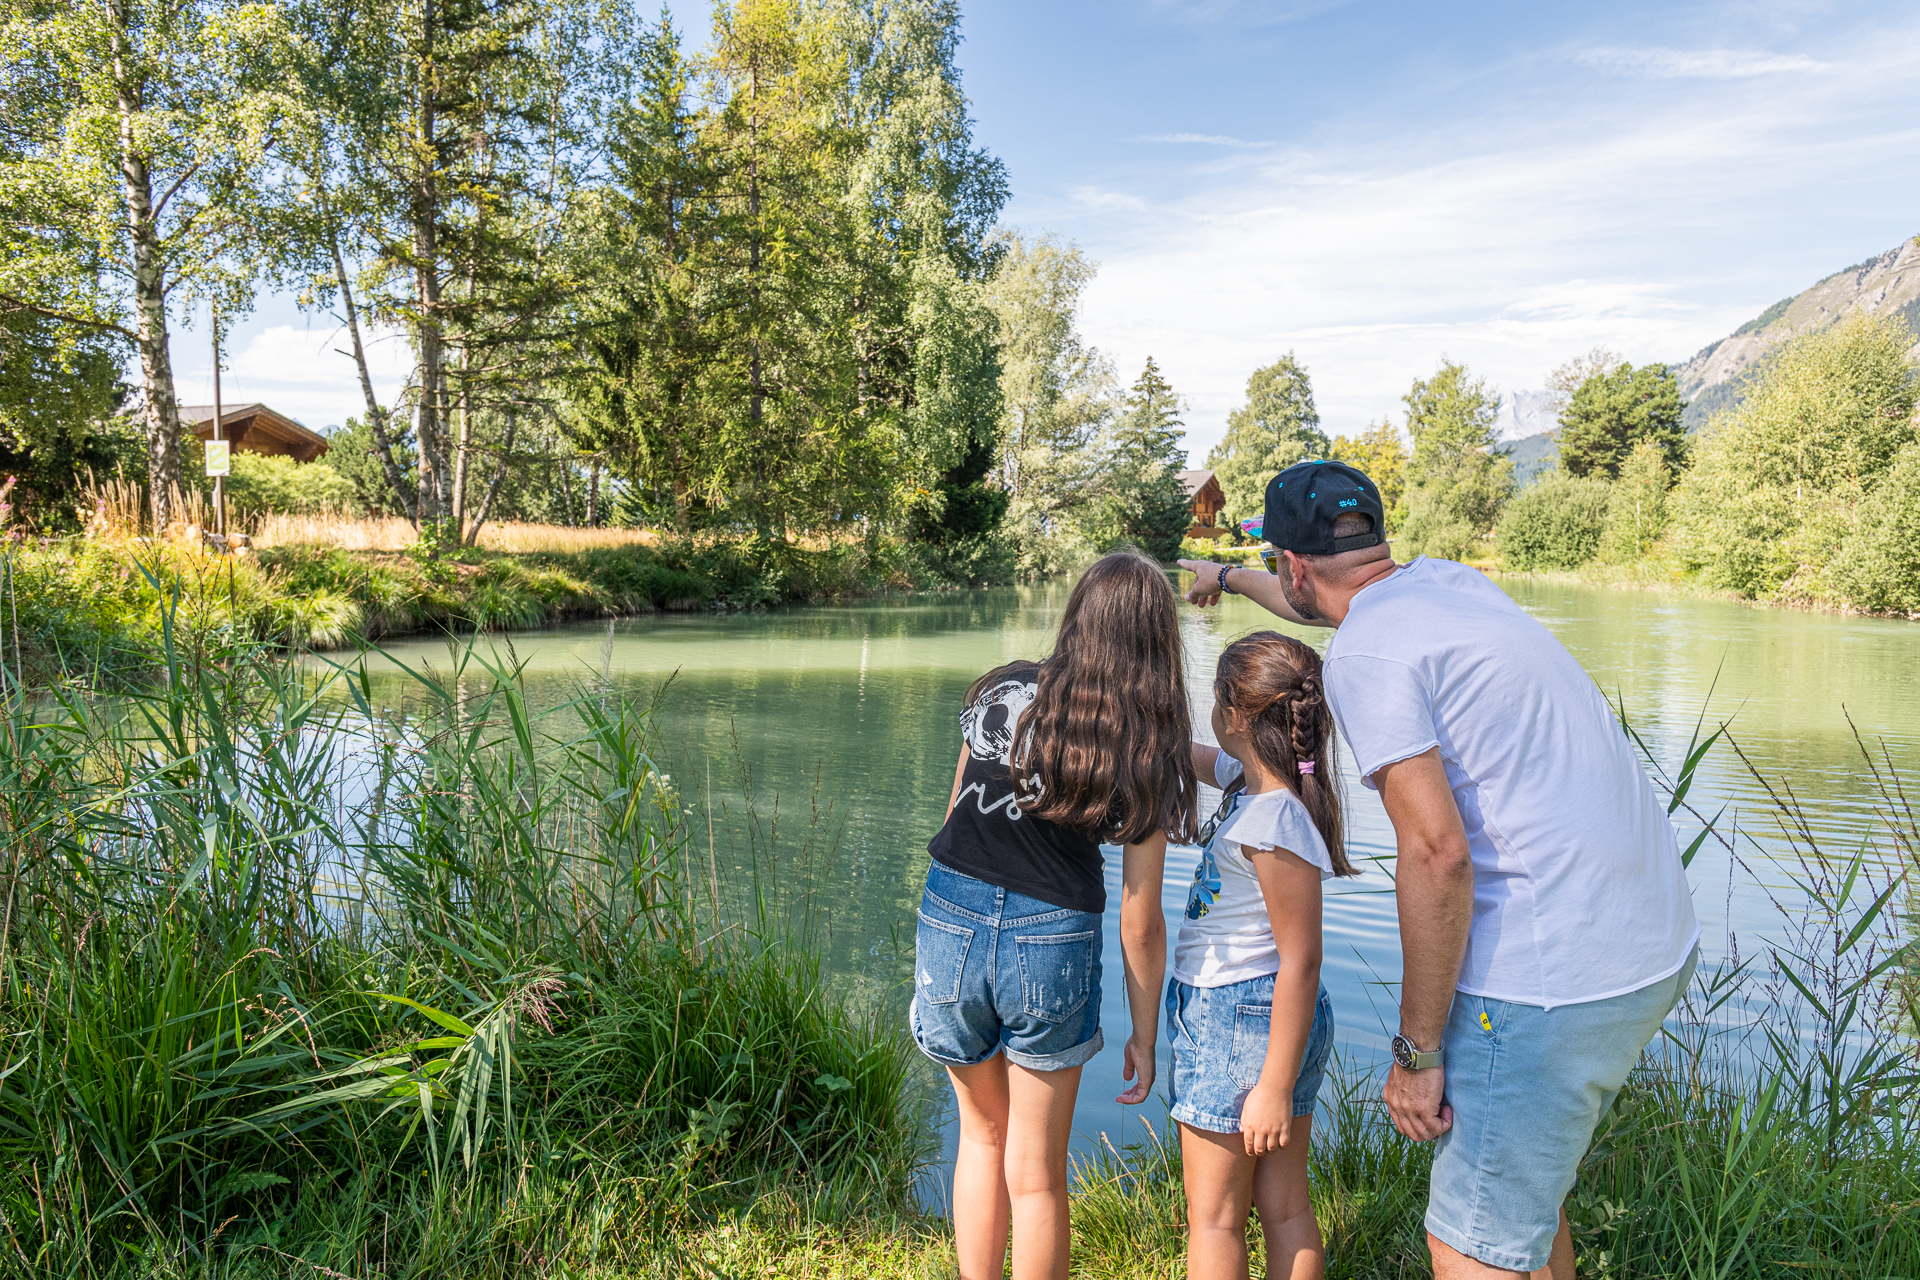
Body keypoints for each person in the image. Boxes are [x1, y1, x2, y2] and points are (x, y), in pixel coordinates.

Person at [1180, 460, 1699, 1280]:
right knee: (1524, 1210)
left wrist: (1417, 1053)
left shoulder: (1366, 657)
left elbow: (1436, 853)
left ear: (1296, 564)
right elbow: (1318, 600)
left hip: (1546, 976)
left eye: (1278, 568)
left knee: (1469, 1247)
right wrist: (1229, 577)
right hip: (1649, 943)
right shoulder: (1453, 585)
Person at [912, 550, 1199, 1280]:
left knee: (981, 1136)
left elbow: (953, 816)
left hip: (951, 912)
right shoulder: (1146, 742)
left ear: (1076, 617)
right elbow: (1140, 917)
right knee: (1036, 1171)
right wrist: (1144, 1035)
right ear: (1155, 642)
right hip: (1050, 934)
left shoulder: (1003, 688)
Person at [1171, 631, 1357, 1280]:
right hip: (1262, 1014)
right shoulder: (1253, 787)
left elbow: (1302, 959)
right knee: (1283, 1209)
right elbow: (1194, 758)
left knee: (1216, 1219)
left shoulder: (1273, 822)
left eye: (1214, 701)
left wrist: (1274, 1087)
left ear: (1237, 717)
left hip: (1241, 1015)